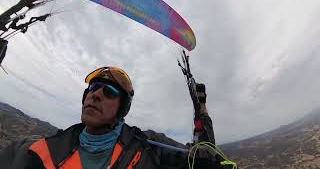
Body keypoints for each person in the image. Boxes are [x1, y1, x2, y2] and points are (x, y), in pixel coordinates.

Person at [0, 66, 226, 168]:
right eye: (93, 88)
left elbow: (199, 156)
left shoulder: (148, 148)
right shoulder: (35, 152)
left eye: (109, 92)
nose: (96, 95)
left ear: (122, 109)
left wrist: (201, 111)